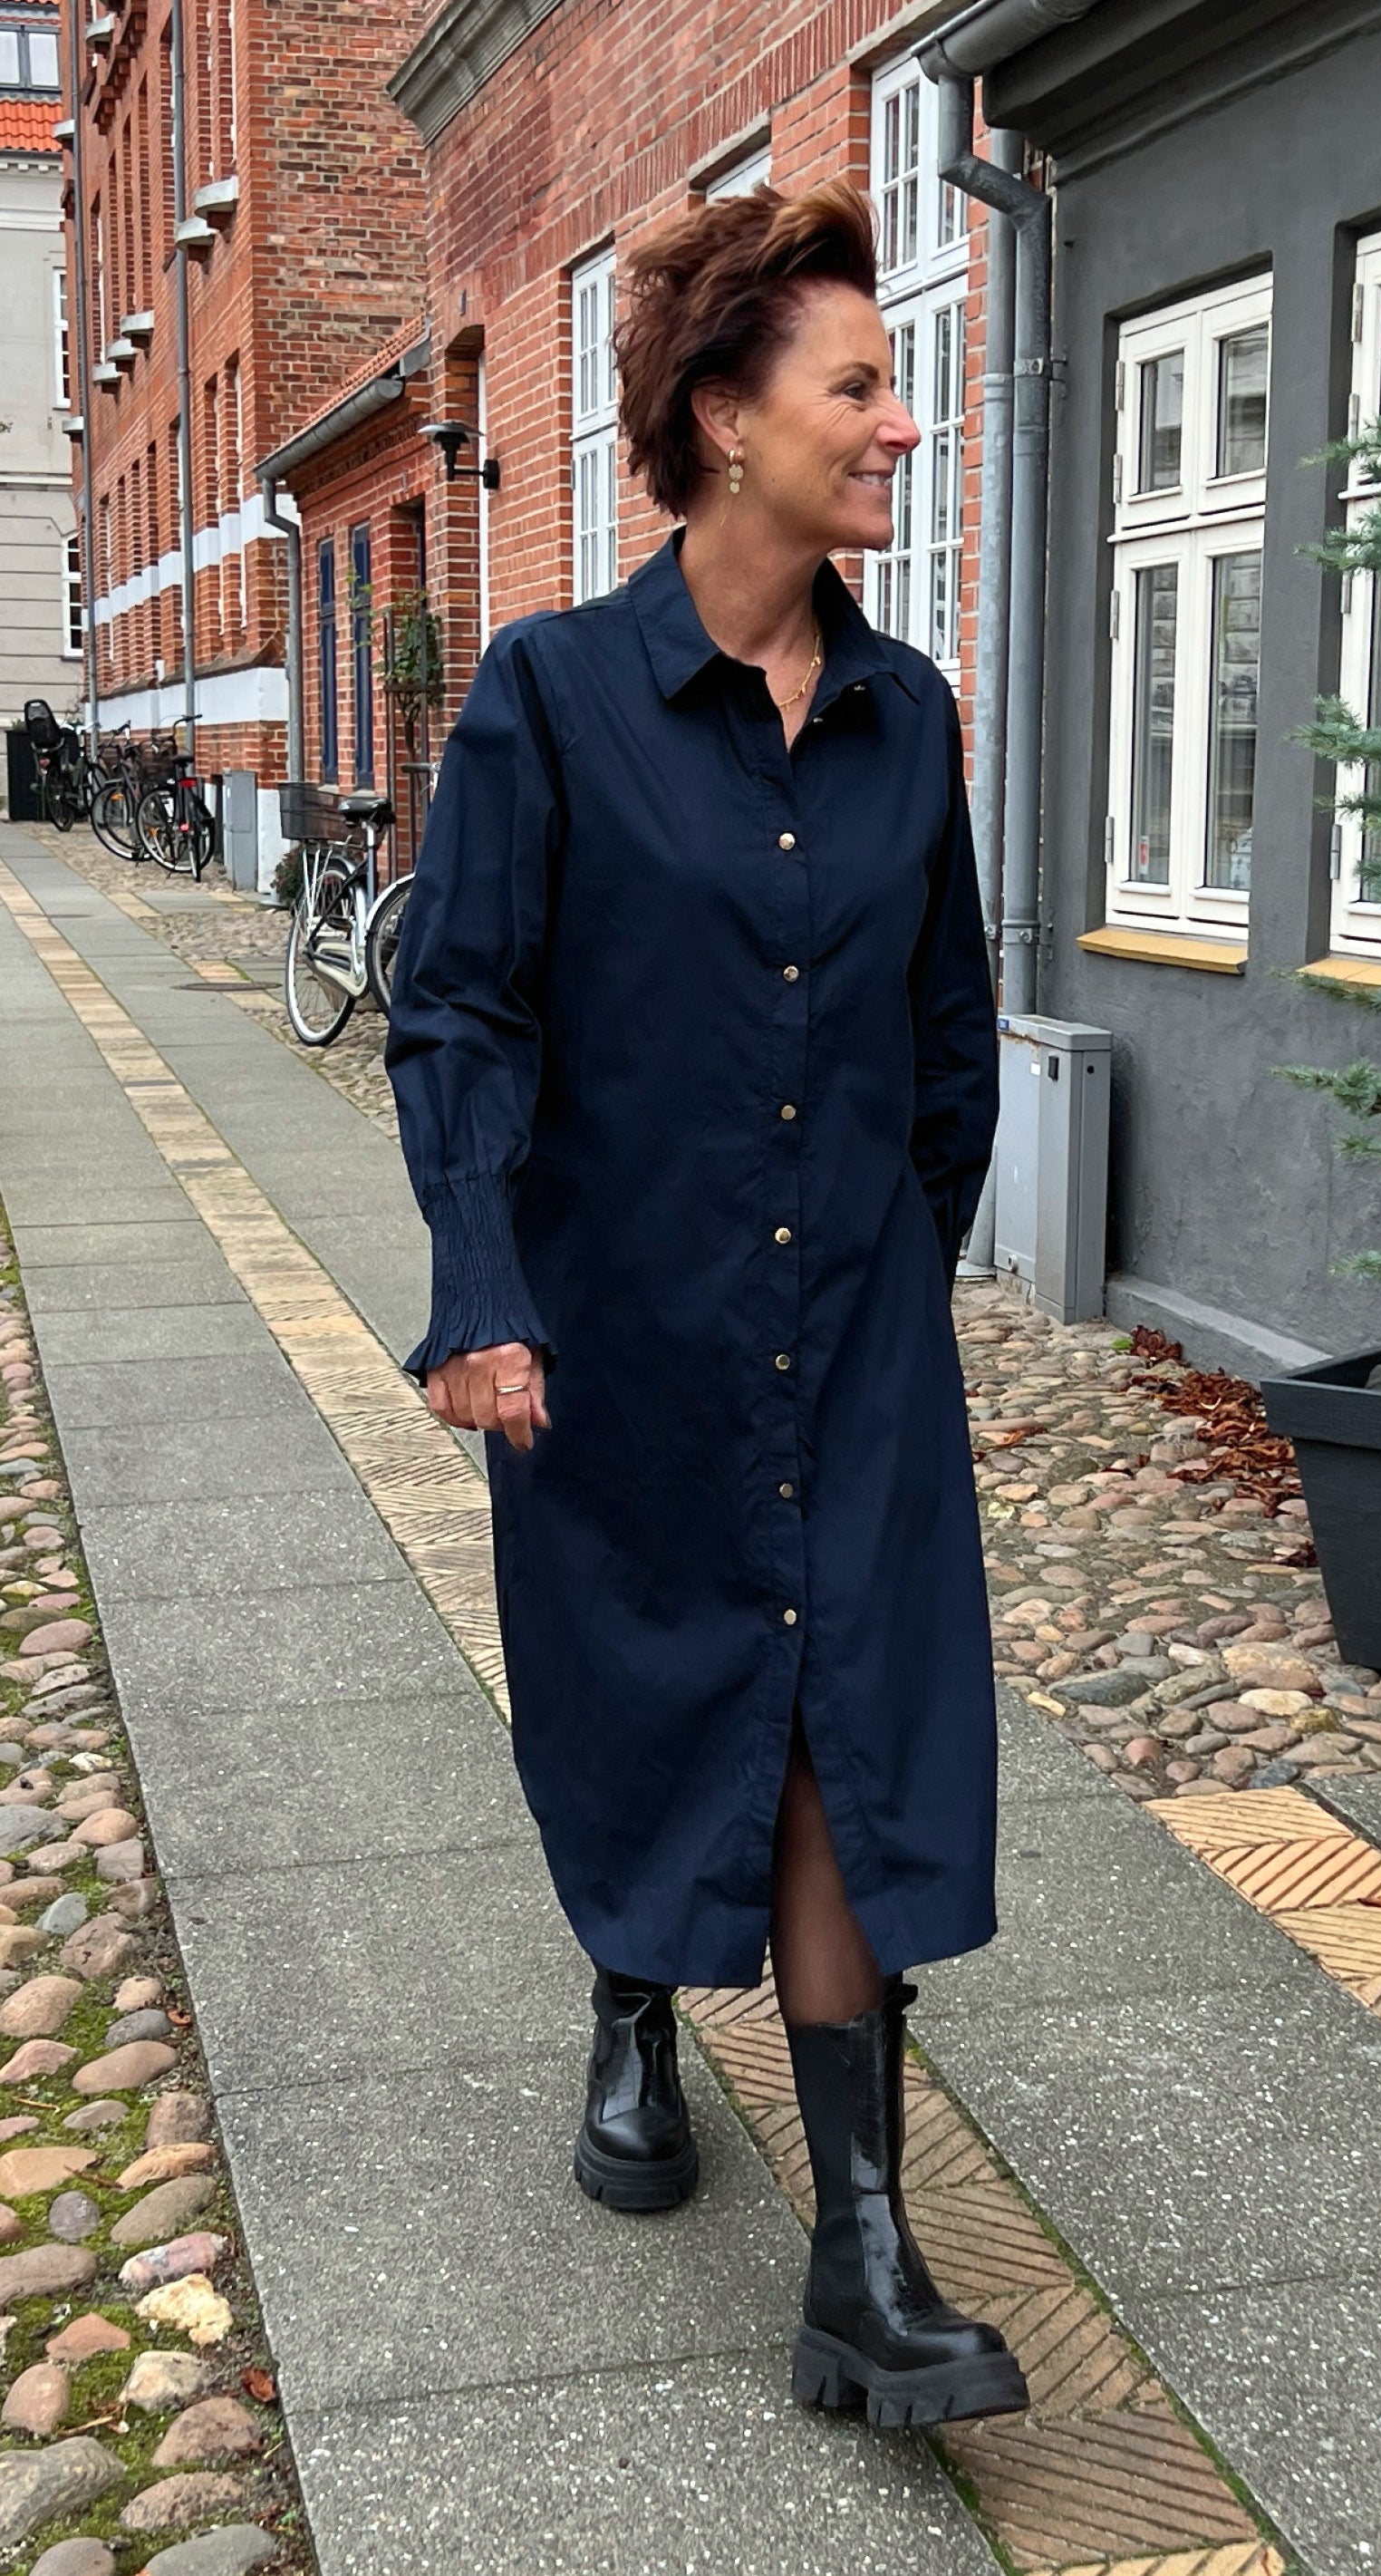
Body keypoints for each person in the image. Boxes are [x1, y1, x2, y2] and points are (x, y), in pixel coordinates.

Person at [385, 179, 1026, 2433]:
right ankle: (632, 2002)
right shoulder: (553, 697)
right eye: (859, 384)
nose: (900, 422)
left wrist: (886, 1275)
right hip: (621, 1329)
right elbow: (459, 1010)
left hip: (849, 1333)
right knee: (654, 1693)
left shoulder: (906, 709)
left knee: (846, 1721)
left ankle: (863, 2254)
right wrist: (484, 1288)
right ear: (728, 418)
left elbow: (944, 1043)